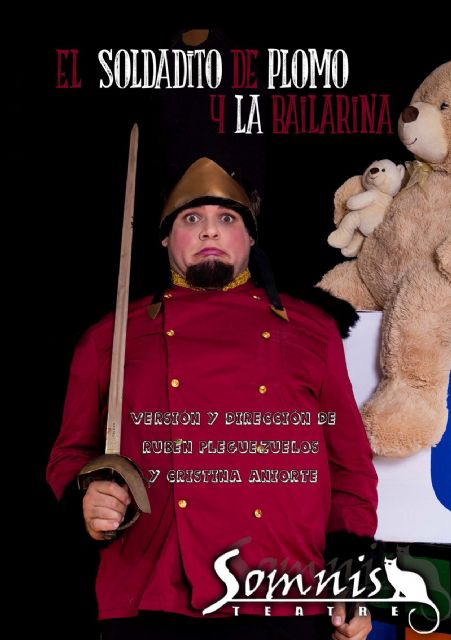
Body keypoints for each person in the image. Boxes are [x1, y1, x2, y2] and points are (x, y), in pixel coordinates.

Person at [47, 157, 378, 640]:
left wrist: (352, 579)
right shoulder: (111, 336)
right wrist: (87, 494)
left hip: (282, 595)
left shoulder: (312, 330)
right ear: (165, 238)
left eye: (227, 219)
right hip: (152, 596)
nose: (209, 232)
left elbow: (348, 466)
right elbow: (68, 455)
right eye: (191, 219)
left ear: (250, 237)